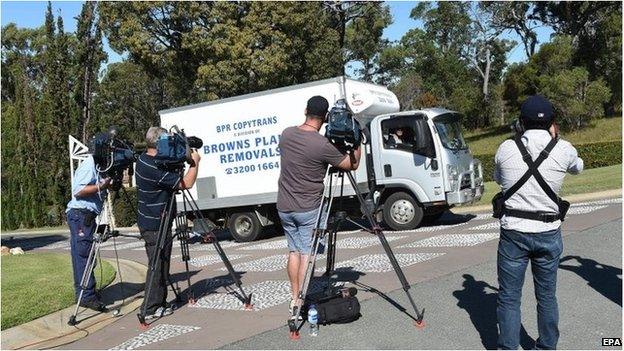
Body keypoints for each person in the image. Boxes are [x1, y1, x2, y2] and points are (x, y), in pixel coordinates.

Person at [494, 95, 584, 349]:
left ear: (520, 123)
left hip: (513, 232)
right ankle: (546, 346)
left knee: (509, 297)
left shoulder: (506, 148)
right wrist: (555, 140)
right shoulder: (564, 148)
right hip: (548, 231)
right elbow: (578, 167)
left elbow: (498, 177)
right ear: (552, 123)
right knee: (546, 296)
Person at [277, 95, 362, 318]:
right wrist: (357, 140)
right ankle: (301, 306)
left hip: (285, 207)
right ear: (325, 118)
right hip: (308, 209)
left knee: (294, 251)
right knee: (307, 255)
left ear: (305, 110)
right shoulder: (322, 145)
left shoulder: (286, 135)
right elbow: (350, 164)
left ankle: (295, 297)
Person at [136, 126, 201, 320]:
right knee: (157, 265)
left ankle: (160, 303)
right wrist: (194, 164)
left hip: (158, 220)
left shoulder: (146, 159)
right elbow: (185, 184)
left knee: (162, 263)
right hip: (155, 223)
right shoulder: (151, 166)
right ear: (159, 143)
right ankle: (149, 308)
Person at [66, 153, 112, 312]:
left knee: (86, 255)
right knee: (84, 256)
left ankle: (85, 293)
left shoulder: (100, 165)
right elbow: (78, 191)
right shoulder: (90, 163)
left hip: (84, 215)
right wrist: (102, 186)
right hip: (80, 214)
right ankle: (87, 297)